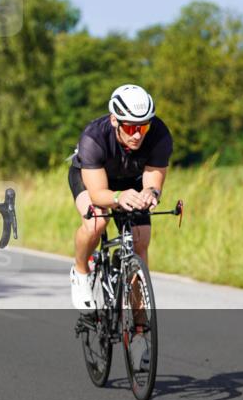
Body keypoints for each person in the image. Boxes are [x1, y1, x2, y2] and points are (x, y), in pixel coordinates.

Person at [67, 84, 173, 316]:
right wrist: (118, 197)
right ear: (115, 120)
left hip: (131, 181)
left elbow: (154, 181)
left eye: (143, 126)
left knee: (140, 240)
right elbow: (97, 194)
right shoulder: (93, 137)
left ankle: (138, 325)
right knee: (96, 223)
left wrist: (150, 193)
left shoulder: (159, 135)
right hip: (92, 179)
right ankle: (81, 271)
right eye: (130, 126)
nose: (137, 134)